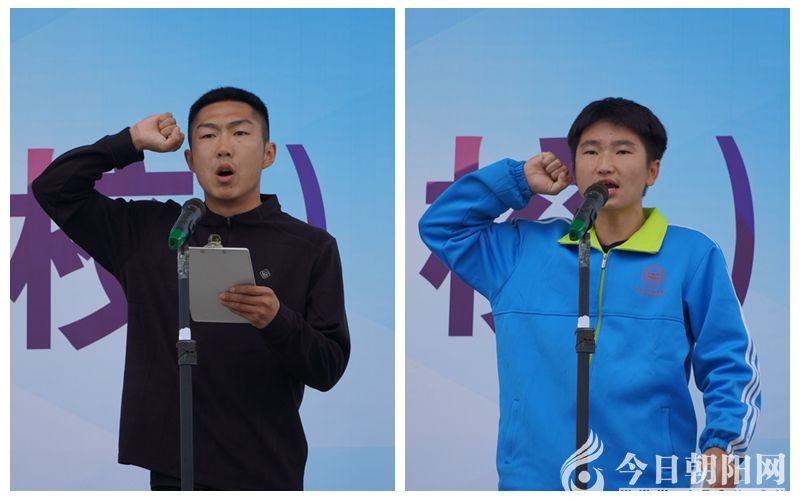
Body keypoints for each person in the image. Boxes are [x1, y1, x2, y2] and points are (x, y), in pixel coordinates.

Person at [418, 97, 760, 490]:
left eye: (623, 151)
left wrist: (722, 446)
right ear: (575, 167)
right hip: (534, 483)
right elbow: (443, 227)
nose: (605, 165)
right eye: (591, 151)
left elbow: (729, 359)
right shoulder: (521, 251)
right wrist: (517, 181)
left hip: (647, 481)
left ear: (653, 171)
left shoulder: (691, 255)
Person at [32, 87, 350, 490]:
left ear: (268, 154)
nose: (223, 148)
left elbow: (328, 368)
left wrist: (277, 320)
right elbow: (54, 189)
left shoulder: (311, 247)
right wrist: (129, 141)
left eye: (240, 133)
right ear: (190, 159)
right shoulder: (149, 232)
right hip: (176, 472)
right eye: (208, 135)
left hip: (268, 470)